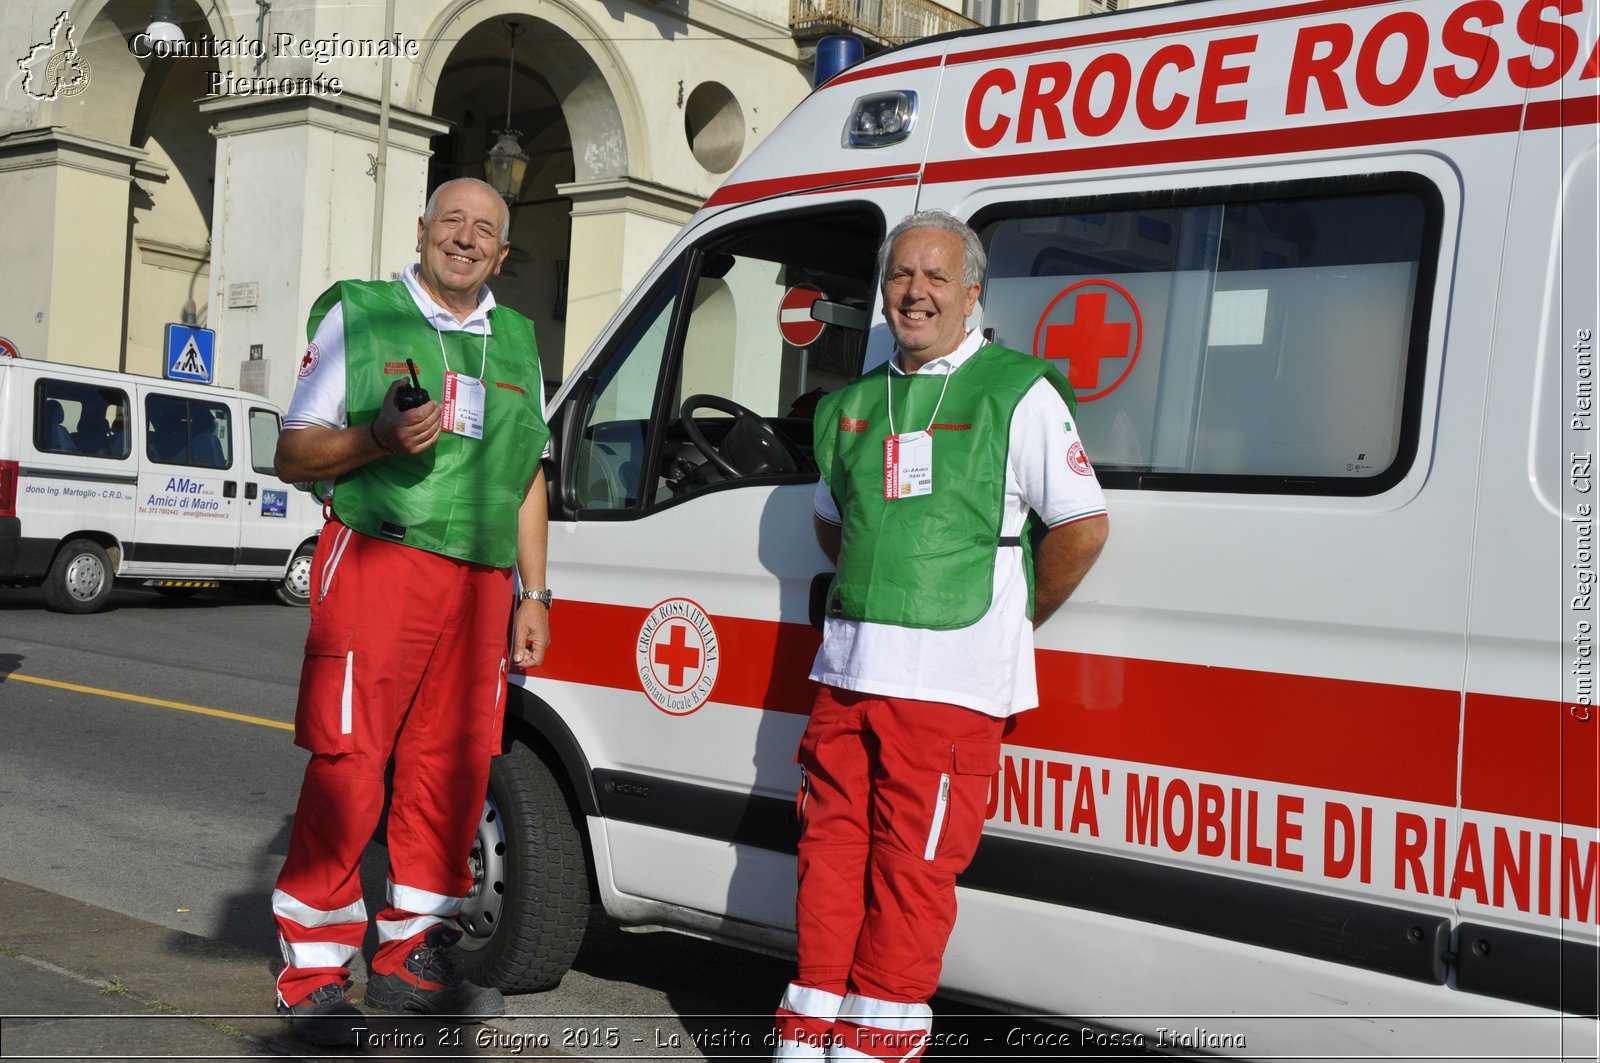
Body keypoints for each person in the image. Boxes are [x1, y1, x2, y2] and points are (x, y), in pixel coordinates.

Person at [772, 211, 1109, 1062]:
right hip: (849, 670)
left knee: (911, 874)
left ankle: (874, 1044)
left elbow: (1081, 527)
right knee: (829, 856)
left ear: (971, 294)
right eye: (899, 277)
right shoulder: (851, 404)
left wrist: (1014, 620)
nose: (914, 293)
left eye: (934, 278)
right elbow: (833, 524)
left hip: (954, 682)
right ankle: (807, 1036)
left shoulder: (1016, 390)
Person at [269, 177, 554, 1048]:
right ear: (423, 230)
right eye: (452, 222)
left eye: (485, 231)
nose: (465, 239)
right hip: (381, 559)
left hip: (479, 585)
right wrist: (378, 441)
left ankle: (409, 958)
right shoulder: (361, 314)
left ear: (503, 254)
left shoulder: (516, 339)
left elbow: (529, 474)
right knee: (351, 760)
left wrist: (534, 594)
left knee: (453, 768)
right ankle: (313, 970)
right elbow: (292, 452)